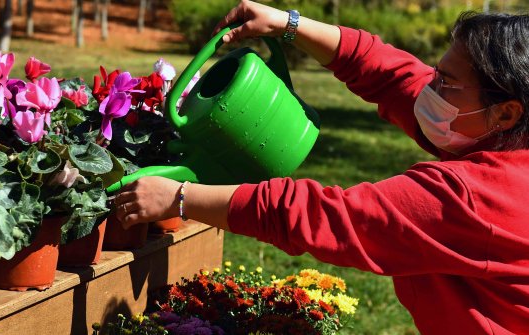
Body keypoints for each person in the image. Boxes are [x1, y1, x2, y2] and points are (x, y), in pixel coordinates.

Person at [112, 1, 529, 333]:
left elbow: (330, 216)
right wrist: (288, 24)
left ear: (506, 112)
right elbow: (392, 76)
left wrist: (180, 197)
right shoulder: (504, 136)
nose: (430, 87)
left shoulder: (479, 199)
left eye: (446, 82)